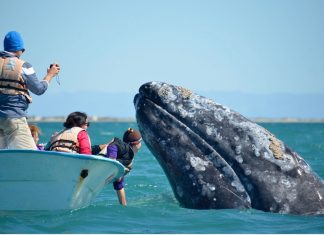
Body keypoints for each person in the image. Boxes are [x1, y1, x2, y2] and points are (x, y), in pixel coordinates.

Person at [0, 31, 60, 150]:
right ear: (20, 49)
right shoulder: (23, 65)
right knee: (30, 155)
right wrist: (49, 75)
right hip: (14, 118)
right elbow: (39, 89)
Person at [98, 128, 142, 206]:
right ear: (137, 143)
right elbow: (113, 145)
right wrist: (112, 161)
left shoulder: (127, 158)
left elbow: (119, 184)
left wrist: (124, 205)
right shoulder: (125, 147)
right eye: (140, 142)